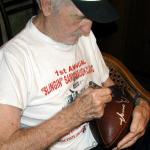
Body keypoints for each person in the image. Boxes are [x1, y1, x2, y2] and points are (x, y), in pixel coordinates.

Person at [0, 0, 149, 150]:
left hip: (105, 136)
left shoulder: (85, 36)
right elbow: (5, 146)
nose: (87, 29)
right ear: (47, 4)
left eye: (90, 17)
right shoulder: (12, 59)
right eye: (80, 17)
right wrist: (74, 115)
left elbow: (110, 86)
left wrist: (139, 103)